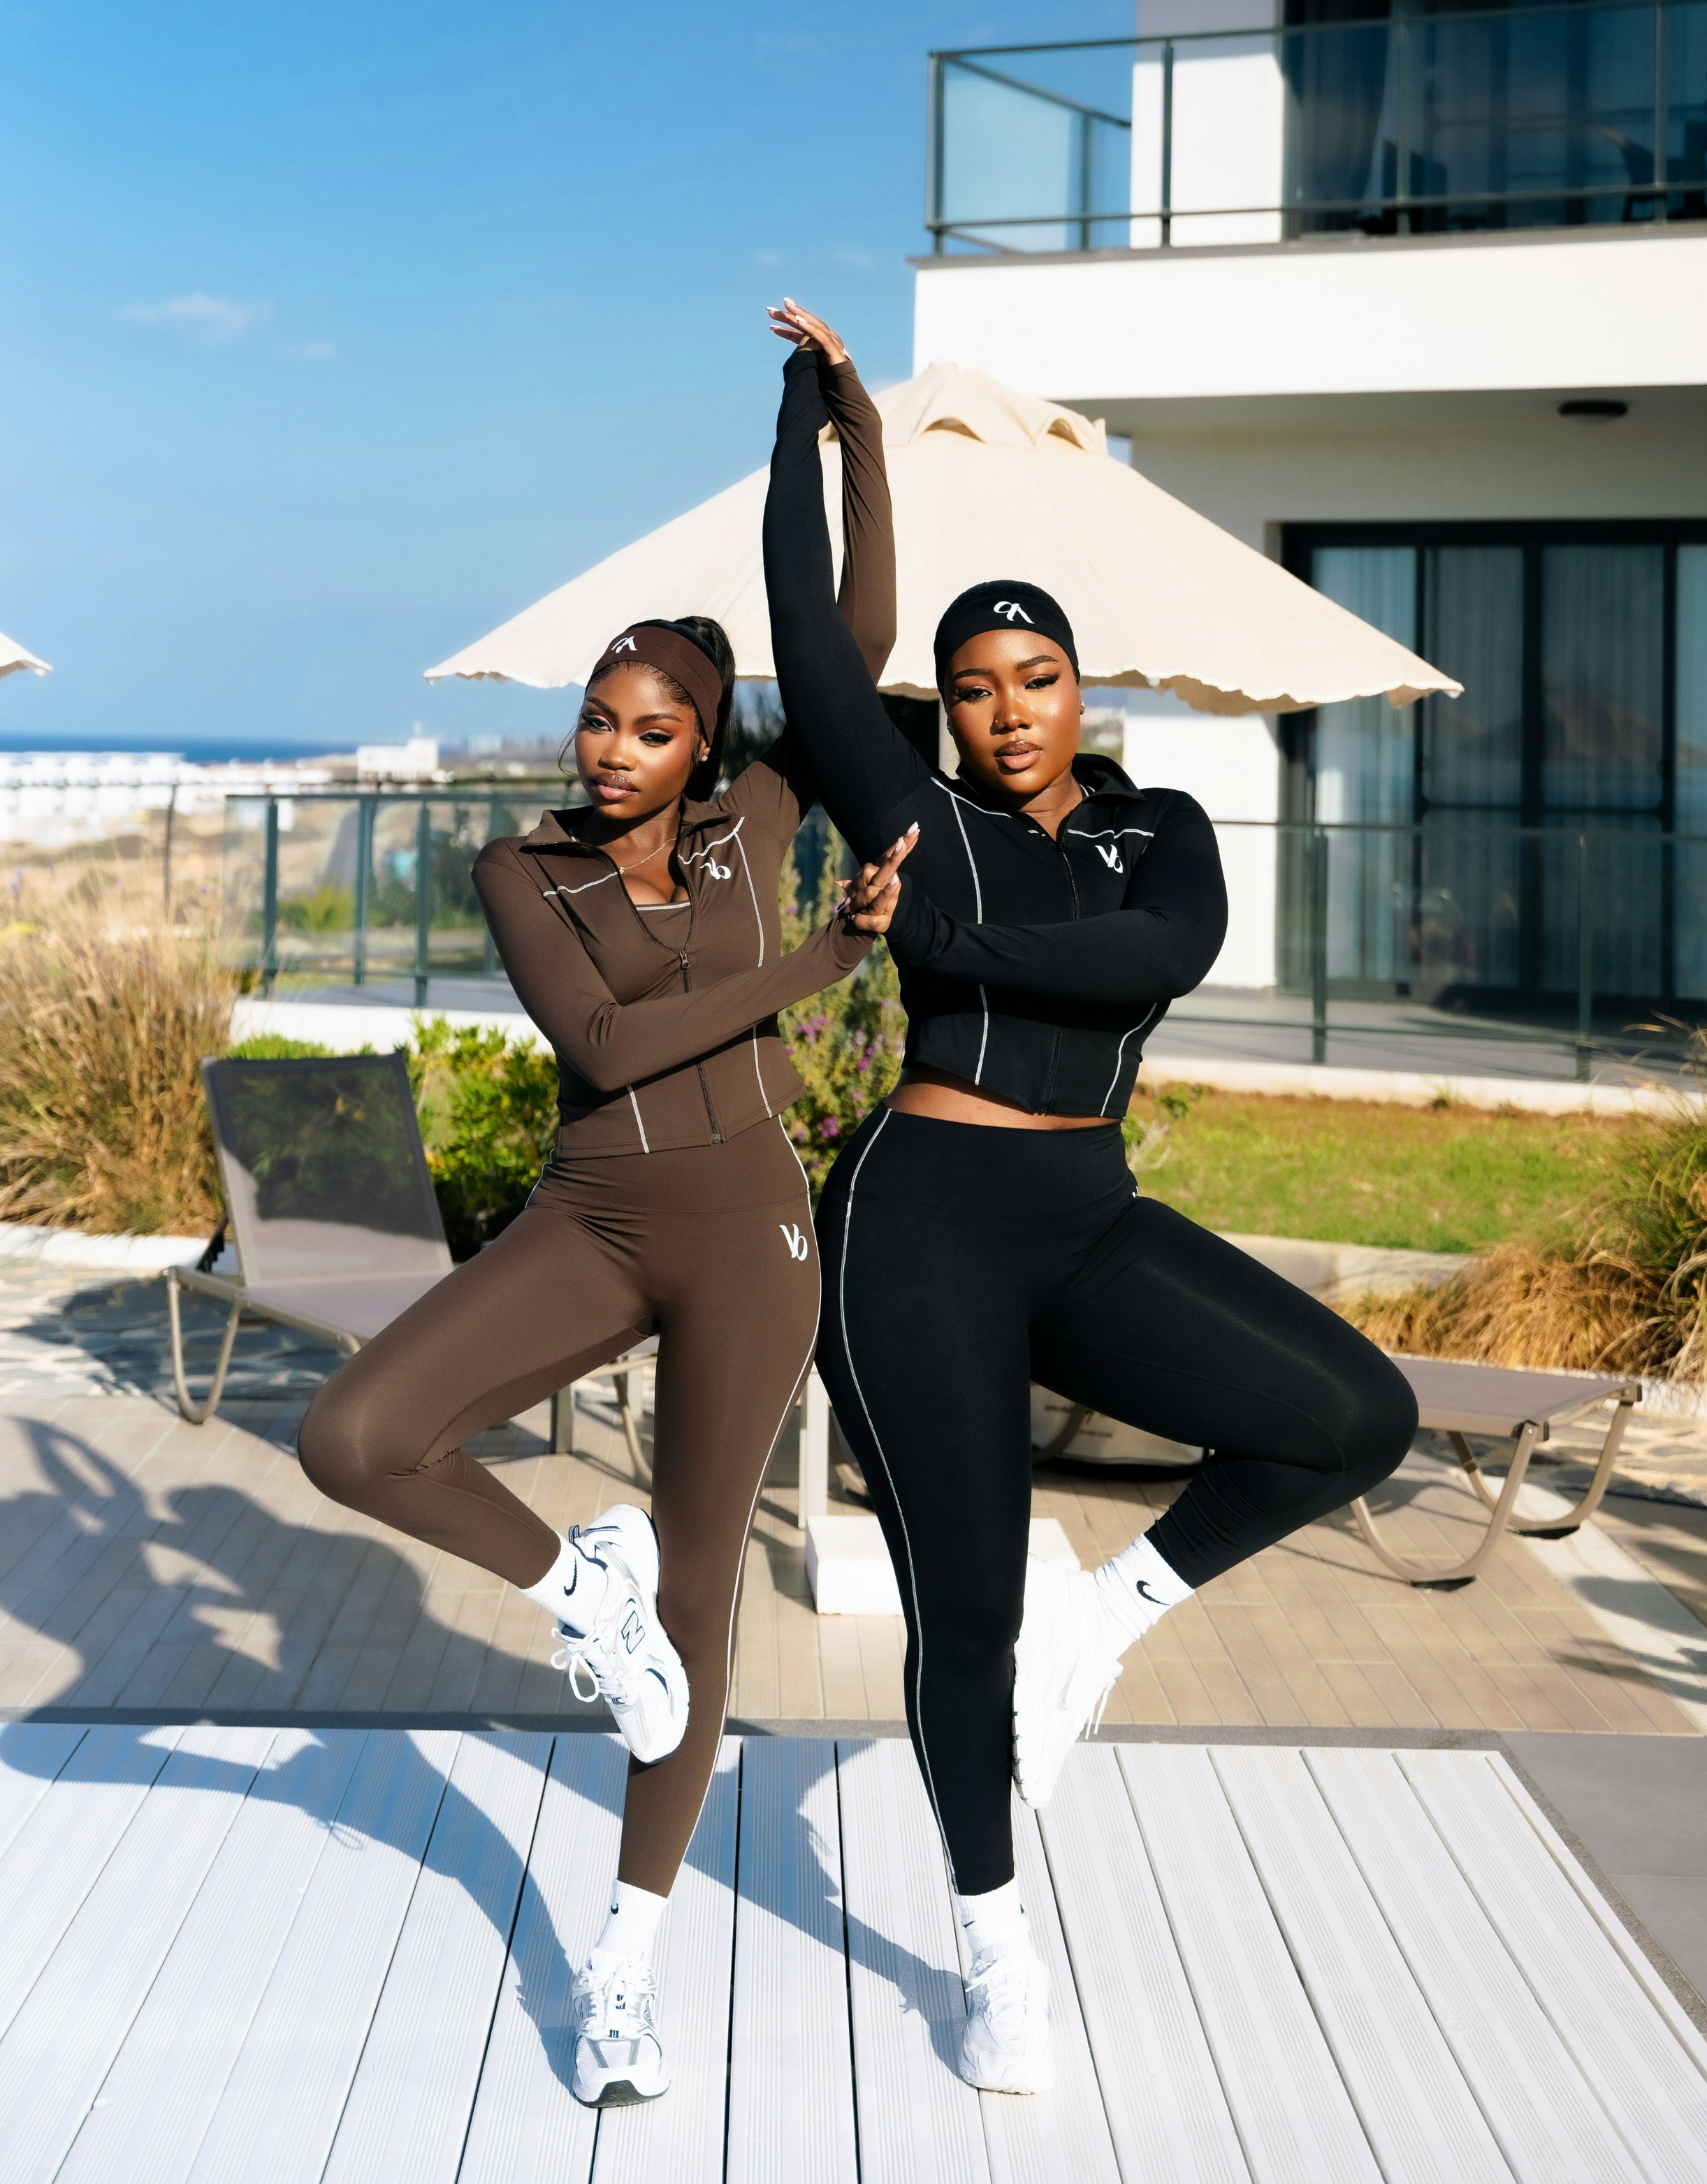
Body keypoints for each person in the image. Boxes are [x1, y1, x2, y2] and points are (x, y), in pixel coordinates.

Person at [762, 302, 1418, 2096]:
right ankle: (992, 1943)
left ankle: (1105, 1623)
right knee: (956, 1610)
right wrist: (820, 436)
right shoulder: (916, 806)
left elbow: (1159, 953)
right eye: (970, 691)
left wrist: (949, 938)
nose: (999, 712)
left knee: (1352, 1414)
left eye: (1028, 679)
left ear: (1079, 687)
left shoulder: (1155, 827)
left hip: (1088, 1214)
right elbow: (809, 646)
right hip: (917, 1222)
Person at [296, 330, 911, 2111]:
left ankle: (624, 1970)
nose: (613, 749)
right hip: (593, 1212)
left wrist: (836, 430)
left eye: (651, 728)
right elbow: (608, 1040)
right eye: (595, 719)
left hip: (747, 1230)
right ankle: (583, 1588)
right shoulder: (527, 866)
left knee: (707, 1594)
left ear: (705, 740)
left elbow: (849, 636)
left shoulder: (756, 819)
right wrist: (819, 960)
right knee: (358, 1430)